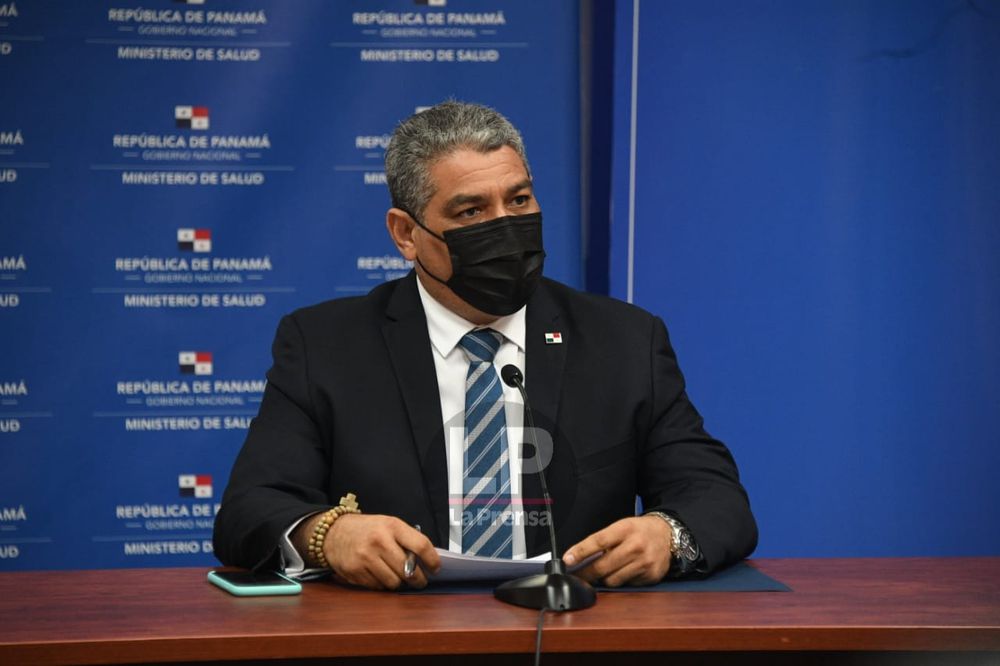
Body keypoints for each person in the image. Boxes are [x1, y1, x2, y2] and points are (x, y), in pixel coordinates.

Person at [213, 101, 757, 590]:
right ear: (406, 234)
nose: (505, 228)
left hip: (576, 630)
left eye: (518, 200)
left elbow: (716, 498)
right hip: (399, 634)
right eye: (471, 212)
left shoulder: (624, 340)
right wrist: (328, 535)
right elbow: (249, 510)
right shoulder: (326, 346)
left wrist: (666, 534)